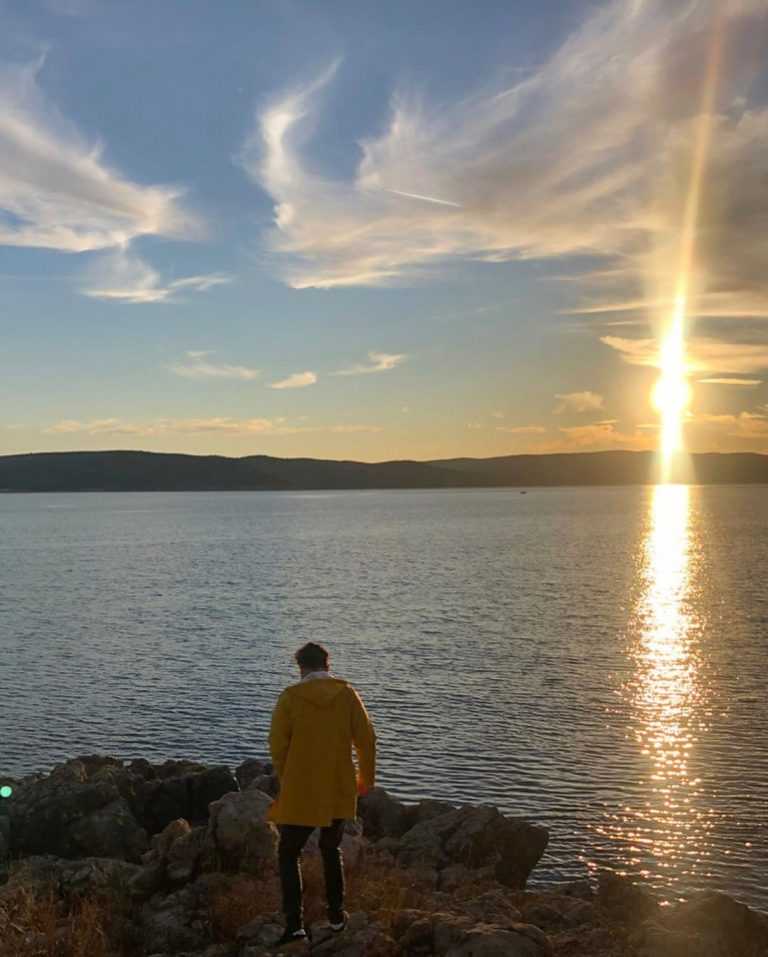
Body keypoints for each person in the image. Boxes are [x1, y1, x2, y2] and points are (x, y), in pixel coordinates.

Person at [267, 642, 376, 946]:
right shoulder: (347, 695)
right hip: (337, 787)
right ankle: (337, 917)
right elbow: (367, 740)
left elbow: (277, 744)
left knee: (289, 852)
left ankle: (294, 925)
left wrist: (286, 777)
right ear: (327, 665)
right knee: (331, 848)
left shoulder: (291, 697)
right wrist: (365, 779)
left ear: (301, 667)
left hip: (301, 787)